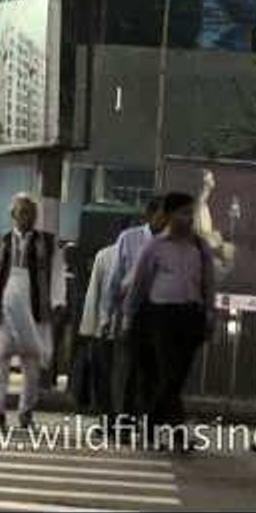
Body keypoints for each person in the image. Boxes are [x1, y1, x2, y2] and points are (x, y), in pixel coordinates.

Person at [123, 193, 215, 450]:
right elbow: (139, 284)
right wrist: (128, 317)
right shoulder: (155, 247)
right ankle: (171, 430)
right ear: (169, 215)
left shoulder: (200, 247)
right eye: (183, 213)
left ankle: (155, 427)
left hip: (191, 316)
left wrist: (210, 314)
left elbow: (209, 284)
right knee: (168, 373)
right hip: (161, 317)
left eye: (190, 213)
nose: (188, 218)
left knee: (177, 377)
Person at [0, 194, 66, 431]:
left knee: (32, 366)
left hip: (35, 310)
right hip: (2, 309)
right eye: (23, 212)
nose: (28, 217)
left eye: (32, 213)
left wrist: (58, 302)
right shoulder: (1, 241)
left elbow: (57, 273)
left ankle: (26, 411)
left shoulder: (48, 243)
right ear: (13, 215)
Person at [102, 196, 165, 428]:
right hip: (131, 311)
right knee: (127, 369)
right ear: (149, 215)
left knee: (153, 371)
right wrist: (106, 316)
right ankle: (125, 420)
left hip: (160, 314)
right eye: (162, 215)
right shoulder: (129, 239)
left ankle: (147, 420)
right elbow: (115, 278)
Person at [77, 240, 120, 424]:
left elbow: (93, 293)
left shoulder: (105, 255)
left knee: (104, 377)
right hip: (112, 328)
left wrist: (89, 328)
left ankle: (107, 418)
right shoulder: (105, 255)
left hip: (104, 328)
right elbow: (94, 292)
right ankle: (113, 419)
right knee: (112, 377)